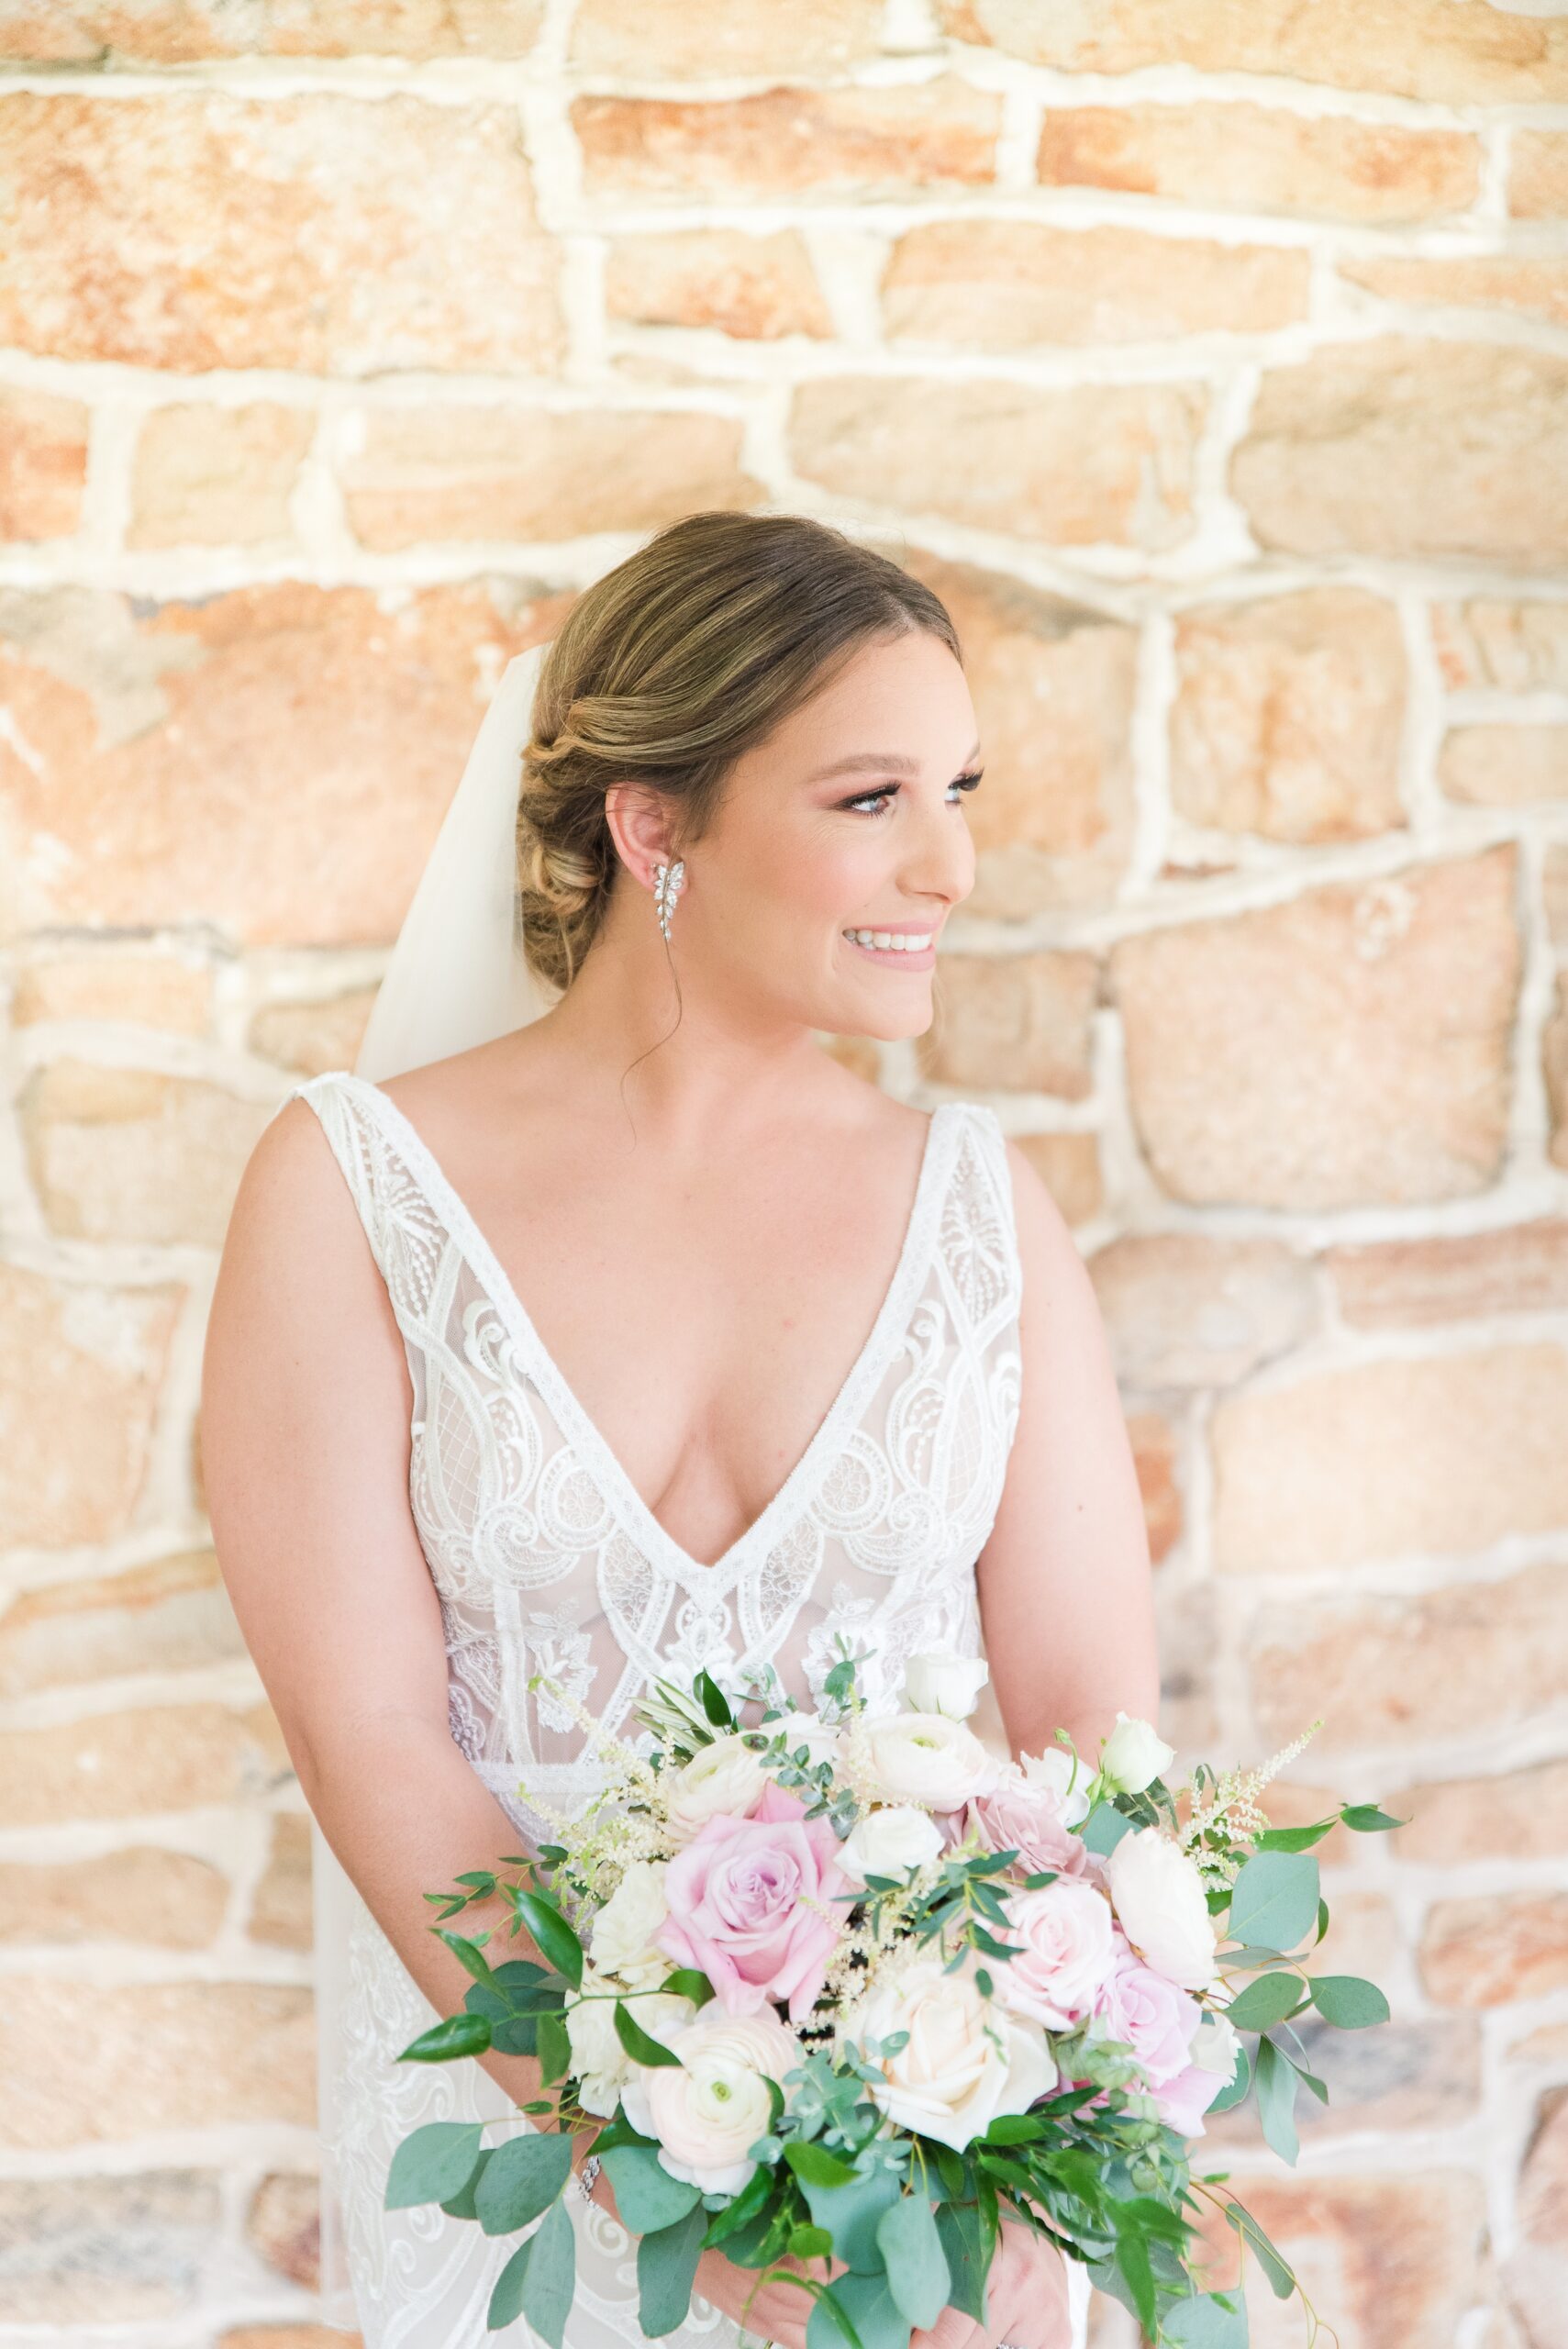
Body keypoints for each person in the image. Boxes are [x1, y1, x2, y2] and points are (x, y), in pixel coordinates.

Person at [202, 510, 1159, 2349]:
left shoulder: (984, 1212)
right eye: (871, 795)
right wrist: (685, 2207)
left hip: (938, 2174)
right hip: (523, 2155)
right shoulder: (348, 1192)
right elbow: (371, 1738)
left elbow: (1090, 1743)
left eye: (956, 787)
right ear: (657, 825)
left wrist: (1031, 2160)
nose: (951, 862)